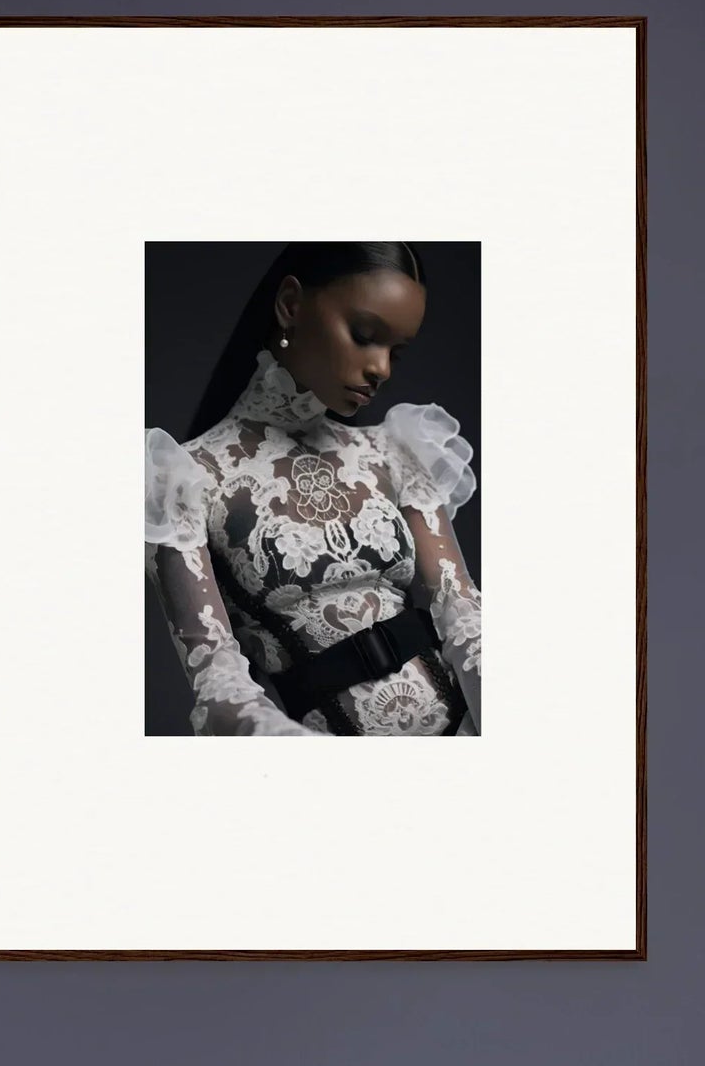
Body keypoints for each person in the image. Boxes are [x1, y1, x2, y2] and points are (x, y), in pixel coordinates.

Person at [144, 242, 482, 736]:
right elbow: (217, 678)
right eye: (365, 335)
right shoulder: (187, 475)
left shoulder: (395, 450)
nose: (382, 369)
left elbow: (461, 610)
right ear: (290, 305)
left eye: (397, 351)